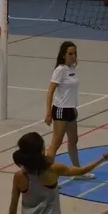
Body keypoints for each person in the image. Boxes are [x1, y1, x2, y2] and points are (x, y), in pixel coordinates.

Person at [44, 41, 94, 181]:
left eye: (75, 53)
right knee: (56, 143)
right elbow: (50, 92)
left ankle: (78, 171)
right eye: (70, 54)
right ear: (63, 55)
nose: (73, 56)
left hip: (70, 110)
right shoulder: (60, 70)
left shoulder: (72, 68)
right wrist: (48, 113)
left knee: (73, 140)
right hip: (60, 110)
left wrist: (74, 108)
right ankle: (46, 174)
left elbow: (71, 92)